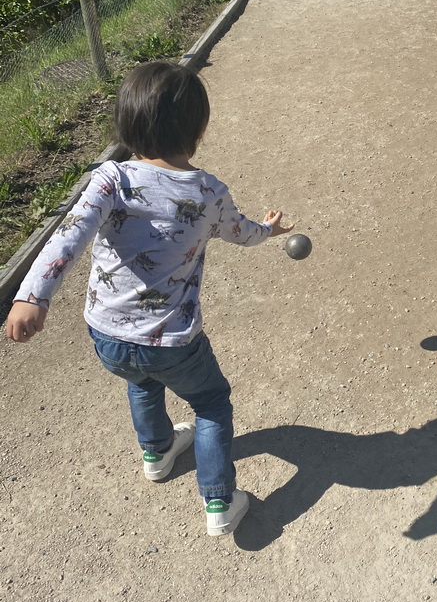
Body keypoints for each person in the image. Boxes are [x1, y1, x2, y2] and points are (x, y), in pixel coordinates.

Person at [4, 61, 295, 536]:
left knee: (140, 382)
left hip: (107, 334)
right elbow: (243, 234)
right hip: (174, 340)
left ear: (126, 125)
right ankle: (219, 500)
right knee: (211, 404)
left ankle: (157, 453)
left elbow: (67, 238)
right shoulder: (208, 192)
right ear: (199, 130)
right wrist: (271, 229)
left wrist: (32, 295)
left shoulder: (109, 180)